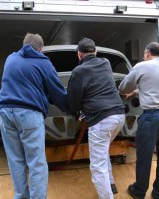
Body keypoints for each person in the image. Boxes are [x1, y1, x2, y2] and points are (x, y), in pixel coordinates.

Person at [0, 33, 68, 199]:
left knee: (15, 160)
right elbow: (56, 91)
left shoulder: (11, 59)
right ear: (41, 49)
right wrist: (70, 106)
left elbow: (28, 84)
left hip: (5, 112)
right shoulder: (43, 62)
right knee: (36, 163)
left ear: (23, 45)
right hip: (28, 114)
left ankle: (21, 196)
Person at [118, 42, 159, 199]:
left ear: (147, 53)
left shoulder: (141, 66)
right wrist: (137, 92)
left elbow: (123, 88)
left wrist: (130, 92)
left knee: (145, 156)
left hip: (152, 117)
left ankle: (139, 191)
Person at [67, 37, 126, 199]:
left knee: (97, 166)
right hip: (119, 116)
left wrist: (77, 110)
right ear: (96, 52)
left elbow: (73, 102)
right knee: (103, 150)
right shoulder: (105, 63)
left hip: (102, 121)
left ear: (79, 55)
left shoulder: (79, 71)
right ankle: (111, 183)